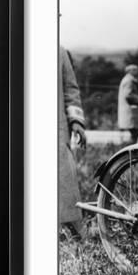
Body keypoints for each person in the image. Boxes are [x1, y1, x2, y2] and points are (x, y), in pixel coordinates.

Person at [58, 46, 88, 238]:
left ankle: (69, 226)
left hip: (56, 127)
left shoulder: (59, 51)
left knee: (63, 174)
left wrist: (76, 121)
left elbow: (71, 88)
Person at [117, 64, 138, 144]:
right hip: (130, 111)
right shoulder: (129, 81)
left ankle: (129, 148)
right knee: (135, 132)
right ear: (129, 71)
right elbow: (128, 95)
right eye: (135, 70)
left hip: (131, 110)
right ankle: (128, 148)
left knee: (135, 132)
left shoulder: (130, 80)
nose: (137, 71)